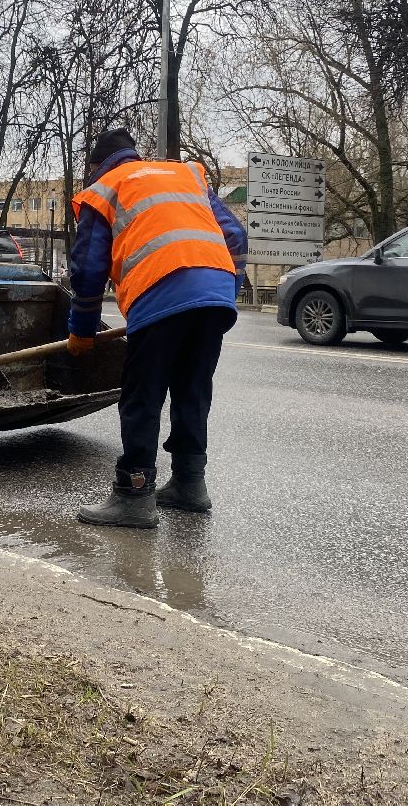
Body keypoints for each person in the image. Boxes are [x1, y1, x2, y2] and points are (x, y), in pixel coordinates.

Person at [66, 128, 247, 528]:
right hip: (214, 293)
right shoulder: (186, 175)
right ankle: (188, 483)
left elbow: (89, 268)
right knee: (192, 389)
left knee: (142, 396)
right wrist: (222, 290)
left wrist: (82, 329)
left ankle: (134, 494)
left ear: (97, 166)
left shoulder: (104, 189)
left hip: (160, 292)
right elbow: (234, 235)